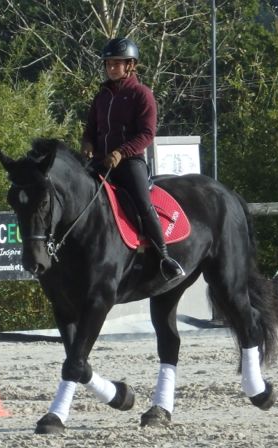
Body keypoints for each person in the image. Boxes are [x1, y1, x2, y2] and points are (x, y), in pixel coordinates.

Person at [81, 37, 184, 280]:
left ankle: (164, 258)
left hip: (129, 162)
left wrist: (121, 152)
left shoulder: (141, 94)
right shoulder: (101, 96)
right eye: (108, 64)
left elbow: (147, 133)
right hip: (102, 161)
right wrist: (87, 143)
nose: (111, 68)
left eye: (116, 64)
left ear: (130, 65)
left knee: (143, 204)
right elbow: (90, 128)